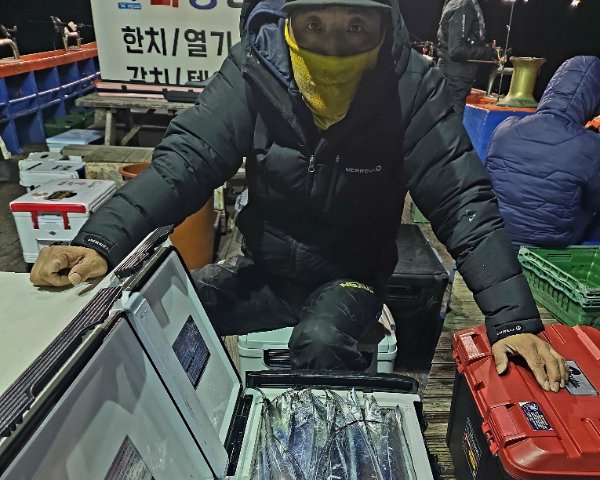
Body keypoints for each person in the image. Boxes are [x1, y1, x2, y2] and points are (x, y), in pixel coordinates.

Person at [30, 0, 567, 392]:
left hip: (350, 275)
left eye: (355, 27)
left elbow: (462, 201)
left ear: (384, 25)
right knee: (165, 308)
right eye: (314, 25)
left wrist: (513, 322)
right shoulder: (254, 68)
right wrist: (100, 241)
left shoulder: (410, 86)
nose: (333, 47)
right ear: (288, 22)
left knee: (320, 342)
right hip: (264, 270)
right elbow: (184, 162)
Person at [486, 55, 600, 249]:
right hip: (545, 246)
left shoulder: (506, 129)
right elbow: (594, 201)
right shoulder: (590, 146)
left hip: (492, 236)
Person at [437, 0, 498, 117]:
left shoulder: (459, 3)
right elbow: (456, 49)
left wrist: (485, 48)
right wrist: (488, 51)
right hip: (455, 80)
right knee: (451, 123)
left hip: (455, 78)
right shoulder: (463, 5)